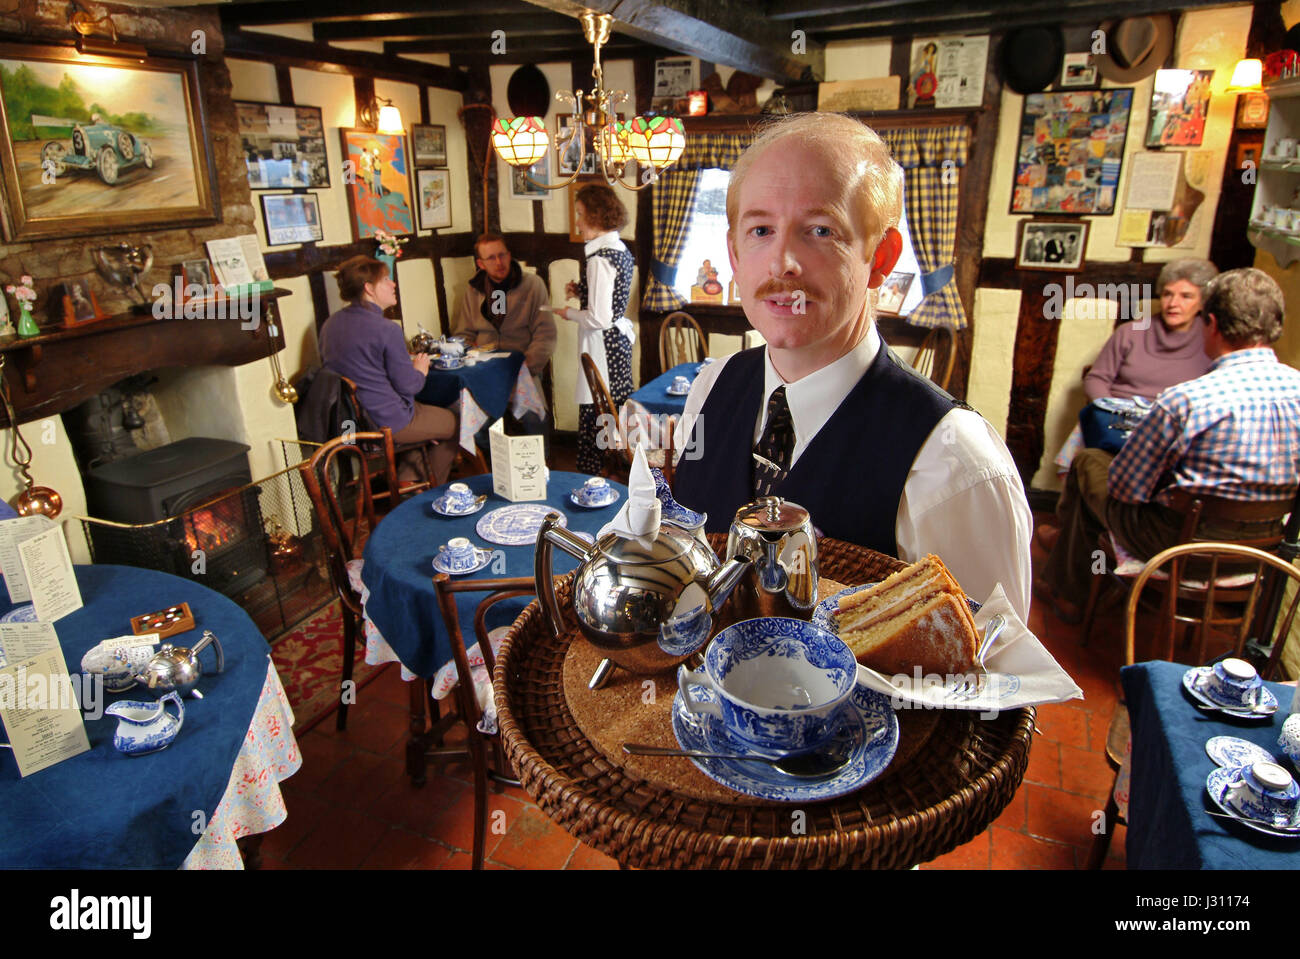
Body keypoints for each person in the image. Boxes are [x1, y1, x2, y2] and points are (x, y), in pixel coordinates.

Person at [671, 113, 1032, 620]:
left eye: (821, 230)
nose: (781, 263)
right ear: (734, 252)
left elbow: (989, 682)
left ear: (880, 257)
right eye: (760, 230)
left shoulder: (955, 465)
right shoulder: (711, 386)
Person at [1038, 268, 1300, 622]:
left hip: (1178, 546)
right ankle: (1068, 569)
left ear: (1212, 325)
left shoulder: (1187, 400)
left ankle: (1069, 593)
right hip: (1264, 548)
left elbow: (1126, 489)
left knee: (1088, 464)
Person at [318, 255, 458, 485]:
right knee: (457, 424)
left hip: (351, 422)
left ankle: (409, 482)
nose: (393, 284)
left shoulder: (330, 324)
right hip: (387, 422)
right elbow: (410, 385)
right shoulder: (386, 329)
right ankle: (432, 494)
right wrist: (420, 368)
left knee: (432, 421)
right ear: (368, 289)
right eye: (385, 279)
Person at [558, 182, 636, 476]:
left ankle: (595, 476)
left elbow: (599, 318)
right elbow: (611, 299)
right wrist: (582, 291)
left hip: (604, 344)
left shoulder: (600, 257)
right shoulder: (617, 248)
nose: (577, 222)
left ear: (597, 216)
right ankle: (615, 470)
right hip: (616, 341)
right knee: (611, 408)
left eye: (580, 214)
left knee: (599, 408)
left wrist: (569, 313)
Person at [453, 233, 557, 381]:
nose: (498, 262)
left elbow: (546, 335)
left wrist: (527, 367)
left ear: (509, 256)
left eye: (502, 255)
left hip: (522, 367)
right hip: (483, 368)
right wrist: (470, 363)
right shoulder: (474, 290)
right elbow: (464, 334)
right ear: (481, 264)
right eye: (491, 258)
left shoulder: (533, 285)